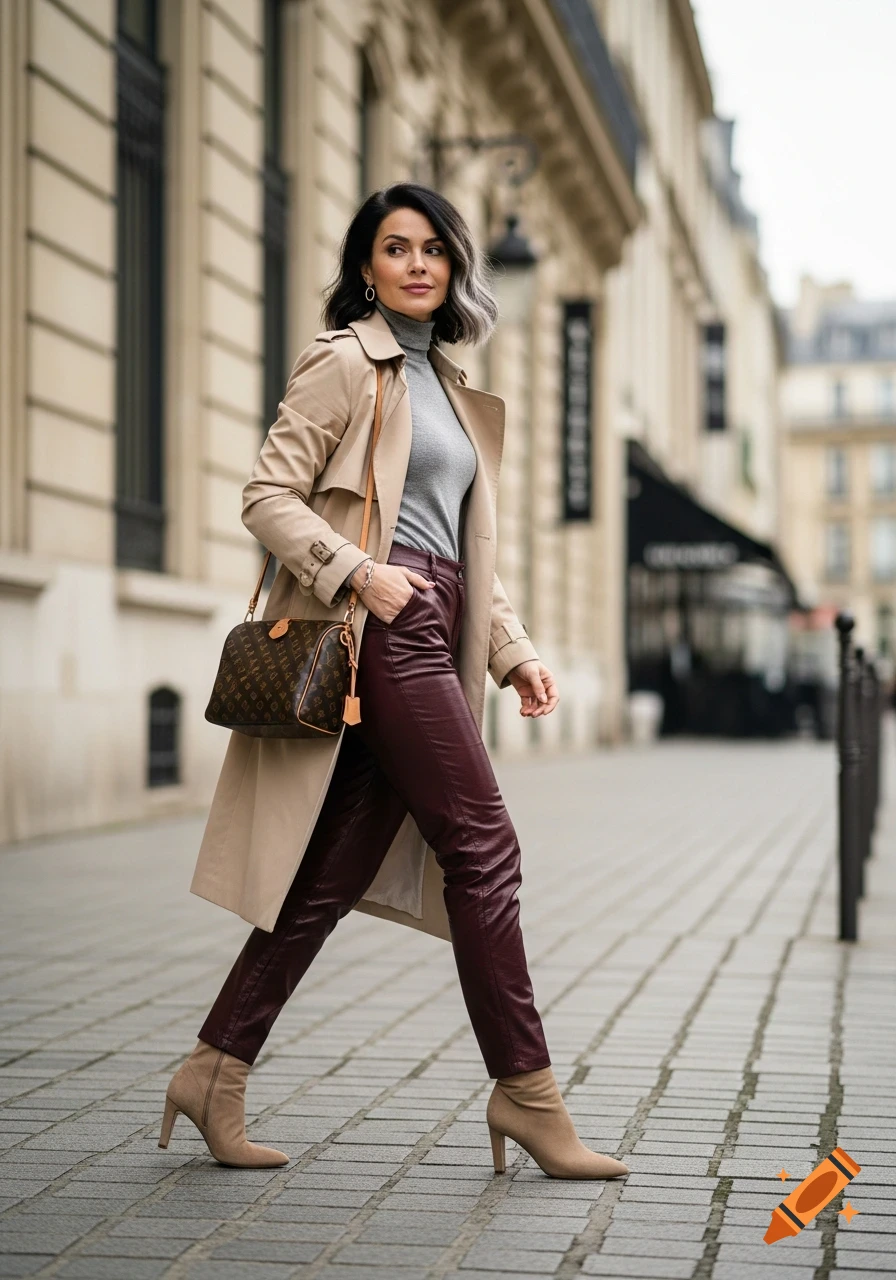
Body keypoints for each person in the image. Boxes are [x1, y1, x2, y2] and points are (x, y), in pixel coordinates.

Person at [159, 183, 628, 1182]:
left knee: (326, 876)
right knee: (484, 845)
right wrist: (354, 572)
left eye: (432, 250)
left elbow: (465, 553)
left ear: (454, 269)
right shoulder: (344, 362)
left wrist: (514, 649)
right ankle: (527, 1092)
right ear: (366, 267)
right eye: (393, 248)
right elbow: (266, 494)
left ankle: (213, 1066)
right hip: (380, 630)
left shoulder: (453, 390)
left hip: (436, 627)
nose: (415, 264)